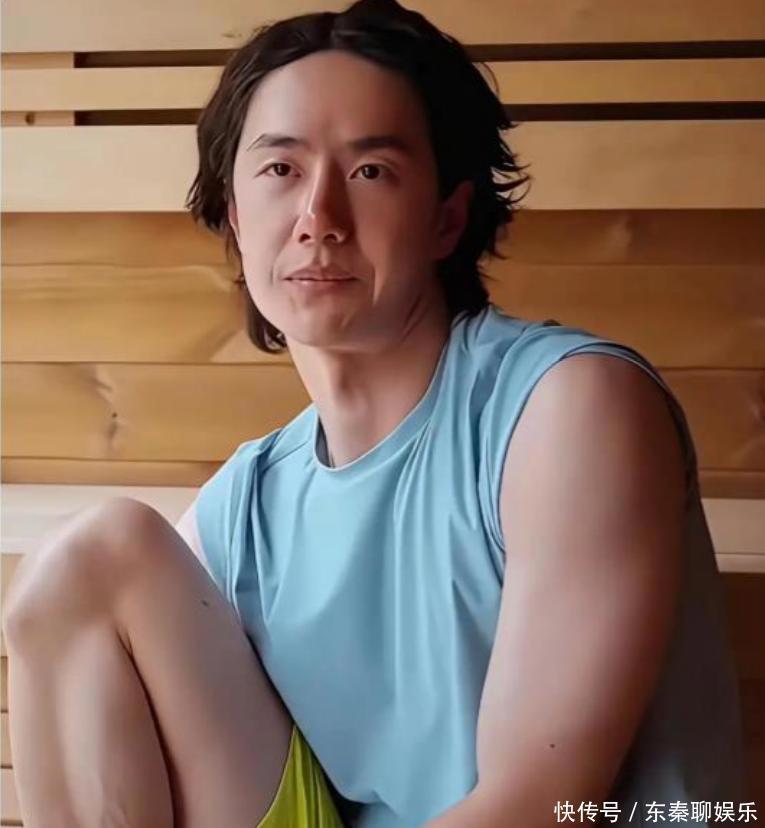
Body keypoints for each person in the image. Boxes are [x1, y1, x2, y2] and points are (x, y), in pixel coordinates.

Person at [2, 1, 746, 826]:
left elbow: (540, 804)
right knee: (82, 567)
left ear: (446, 218)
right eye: (280, 169)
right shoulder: (245, 506)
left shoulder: (566, 410)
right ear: (236, 215)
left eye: (370, 172)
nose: (318, 220)